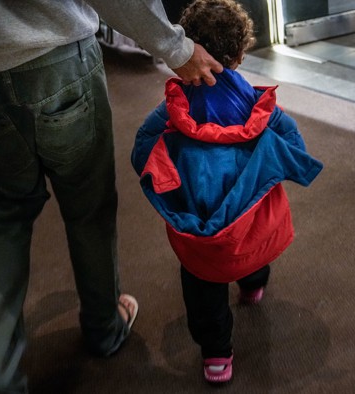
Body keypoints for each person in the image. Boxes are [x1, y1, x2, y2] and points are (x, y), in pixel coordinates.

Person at [0, 1, 223, 393]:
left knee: (5, 215)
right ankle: (104, 327)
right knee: (89, 205)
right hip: (58, 60)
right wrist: (174, 47)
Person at [130, 0, 323, 384]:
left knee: (202, 279)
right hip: (247, 210)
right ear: (238, 55)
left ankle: (217, 355)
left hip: (200, 215)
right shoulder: (255, 103)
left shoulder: (173, 109)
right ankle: (253, 284)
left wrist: (161, 173)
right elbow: (292, 141)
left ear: (190, 50)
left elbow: (142, 148)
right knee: (253, 235)